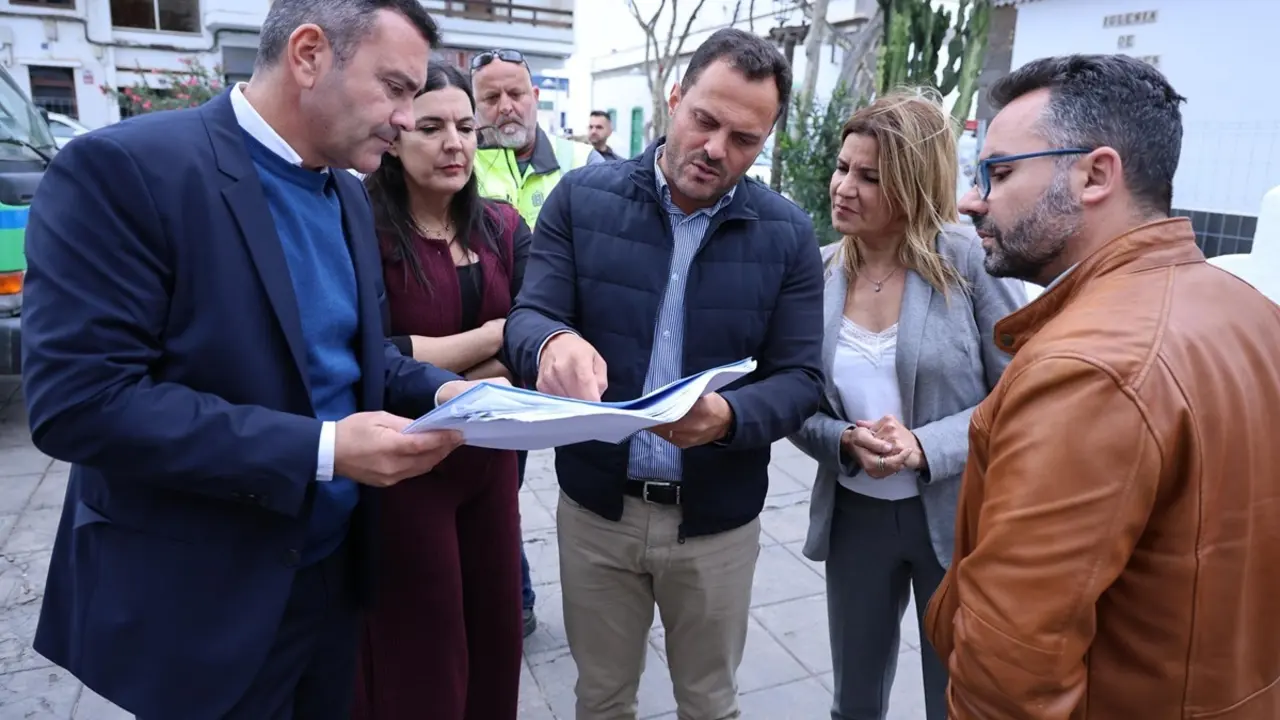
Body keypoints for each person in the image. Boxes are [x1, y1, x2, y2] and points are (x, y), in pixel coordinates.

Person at [18, 2, 491, 718]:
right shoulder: (126, 170)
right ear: (308, 55)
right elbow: (81, 404)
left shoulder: (348, 194)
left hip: (331, 582)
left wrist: (441, 392)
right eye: (395, 88)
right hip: (204, 600)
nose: (405, 117)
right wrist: (325, 449)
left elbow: (346, 359)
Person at [923, 53, 1280, 719]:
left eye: (998, 173)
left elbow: (1009, 669)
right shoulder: (1253, 311)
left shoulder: (1086, 369)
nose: (975, 199)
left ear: (1095, 175)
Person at [504, 28, 825, 720]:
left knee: (710, 702)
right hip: (597, 508)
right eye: (705, 121)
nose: (715, 149)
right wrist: (551, 342)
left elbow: (801, 379)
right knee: (603, 698)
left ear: (765, 141)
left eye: (744, 139)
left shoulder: (787, 234)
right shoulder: (581, 200)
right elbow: (526, 316)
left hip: (715, 521)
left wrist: (730, 418)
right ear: (673, 101)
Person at [789, 90, 1025, 720]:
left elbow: (1023, 389)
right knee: (855, 699)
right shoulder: (816, 273)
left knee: (953, 696)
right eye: (843, 167)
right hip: (856, 519)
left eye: (869, 176)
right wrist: (839, 439)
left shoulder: (968, 261)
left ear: (913, 185)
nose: (843, 186)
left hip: (955, 520)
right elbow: (797, 401)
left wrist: (928, 446)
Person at [352, 61, 529, 720]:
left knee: (496, 638)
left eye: (464, 126)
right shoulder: (360, 228)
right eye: (431, 127)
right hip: (404, 469)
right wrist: (489, 334)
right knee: (422, 657)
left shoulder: (504, 227)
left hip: (492, 466)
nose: (454, 142)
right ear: (395, 137)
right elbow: (371, 357)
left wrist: (457, 360)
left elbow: (533, 337)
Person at [470, 47, 595, 229]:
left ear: (535, 97)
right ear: (472, 107)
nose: (506, 107)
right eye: (492, 97)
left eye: (515, 94)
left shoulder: (585, 163)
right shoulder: (457, 167)